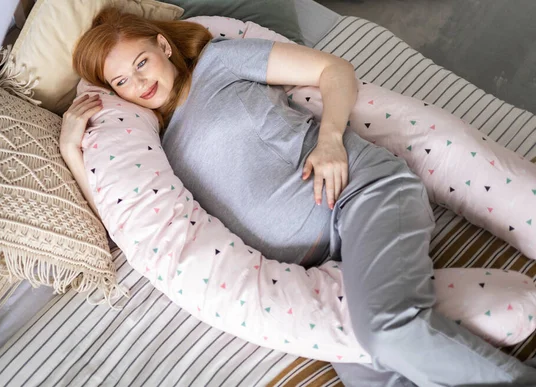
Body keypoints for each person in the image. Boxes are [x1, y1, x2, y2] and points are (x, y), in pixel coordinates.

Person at [59, 7, 536, 387]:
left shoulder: (217, 63)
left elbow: (334, 69)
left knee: (386, 331)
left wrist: (330, 139)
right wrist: (71, 148)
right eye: (121, 81)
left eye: (141, 62)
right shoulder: (156, 150)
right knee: (370, 370)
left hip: (363, 196)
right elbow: (128, 227)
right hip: (317, 270)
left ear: (163, 45)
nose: (139, 83)